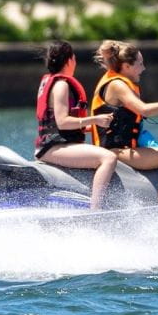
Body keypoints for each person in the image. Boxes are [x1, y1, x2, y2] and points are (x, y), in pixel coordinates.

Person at [91, 40, 158, 204]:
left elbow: (135, 112)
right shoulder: (117, 85)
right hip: (116, 150)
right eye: (140, 64)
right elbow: (144, 110)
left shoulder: (117, 81)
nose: (143, 68)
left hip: (124, 148)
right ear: (126, 67)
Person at [35, 41, 117, 210]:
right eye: (74, 57)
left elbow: (62, 126)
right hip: (53, 147)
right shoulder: (61, 85)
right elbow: (63, 122)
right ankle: (96, 210)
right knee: (108, 158)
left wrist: (95, 126)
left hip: (56, 144)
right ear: (70, 60)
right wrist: (94, 120)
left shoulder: (54, 82)